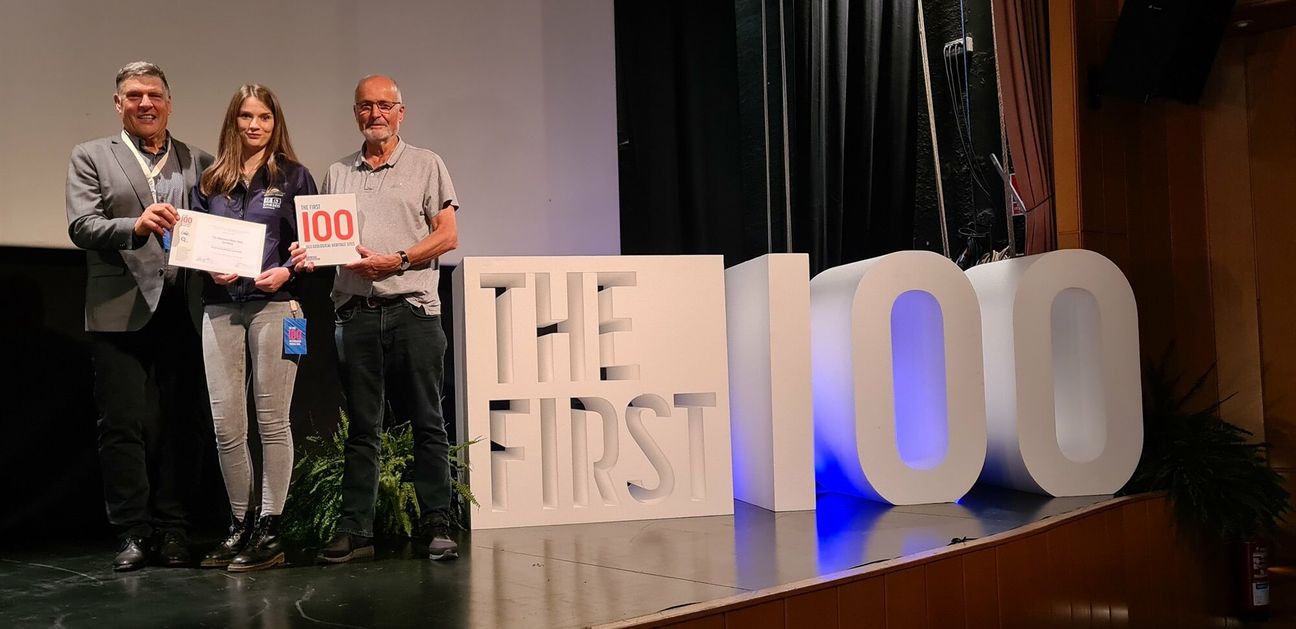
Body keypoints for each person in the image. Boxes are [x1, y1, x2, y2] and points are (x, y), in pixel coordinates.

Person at [290, 75, 461, 562]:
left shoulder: (428, 164)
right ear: (356, 113)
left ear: (401, 112)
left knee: (428, 420)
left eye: (385, 105)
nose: (375, 114)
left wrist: (399, 260)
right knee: (363, 427)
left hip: (413, 309)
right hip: (355, 314)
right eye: (366, 106)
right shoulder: (337, 173)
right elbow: (326, 245)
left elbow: (447, 235)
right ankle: (356, 532)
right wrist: (309, 253)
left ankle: (436, 525)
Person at [66, 61, 213, 571]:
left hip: (186, 308)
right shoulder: (90, 156)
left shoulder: (200, 161)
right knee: (122, 425)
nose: (144, 103)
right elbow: (82, 226)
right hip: (118, 308)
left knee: (183, 424)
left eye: (153, 94)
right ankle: (133, 530)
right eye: (133, 96)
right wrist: (138, 224)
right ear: (118, 104)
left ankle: (173, 529)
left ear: (169, 103)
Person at [191, 85, 317, 572]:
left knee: (271, 423)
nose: (254, 125)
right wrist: (208, 266)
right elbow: (192, 239)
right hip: (220, 307)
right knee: (227, 427)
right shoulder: (210, 181)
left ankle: (270, 528)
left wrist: (291, 268)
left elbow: (311, 247)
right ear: (233, 121)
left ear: (275, 122)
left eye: (264, 116)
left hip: (277, 307)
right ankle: (239, 524)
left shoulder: (294, 177)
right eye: (245, 115)